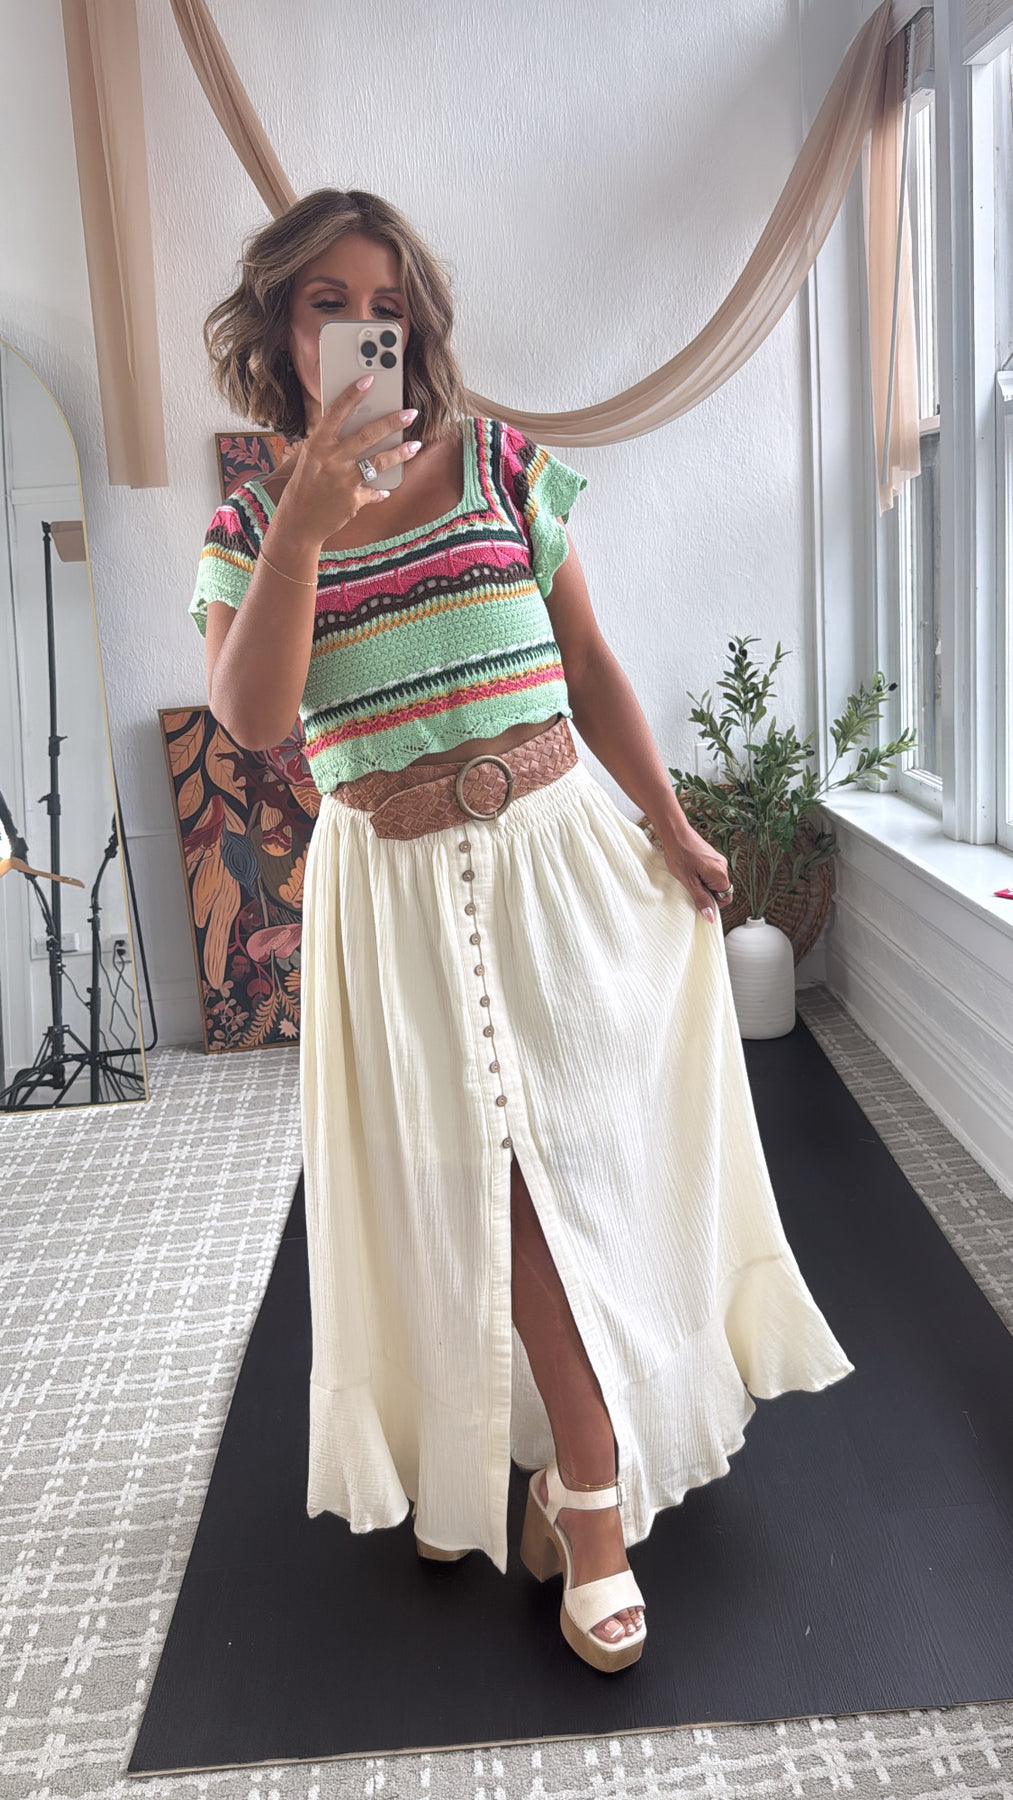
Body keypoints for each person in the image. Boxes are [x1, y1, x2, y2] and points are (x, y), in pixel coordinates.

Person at [190, 188, 854, 1674]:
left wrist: (670, 822)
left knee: (570, 1163)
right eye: (324, 301)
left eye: (384, 303)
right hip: (393, 885)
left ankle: (567, 1470)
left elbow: (589, 660)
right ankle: (573, 1485)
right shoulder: (246, 524)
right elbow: (252, 717)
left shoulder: (498, 464)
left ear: (415, 324)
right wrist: (304, 521)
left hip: (555, 856)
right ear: (279, 326)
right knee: (473, 1173)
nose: (360, 326)